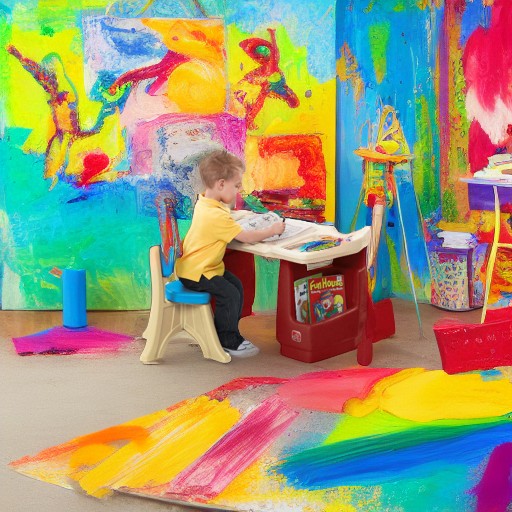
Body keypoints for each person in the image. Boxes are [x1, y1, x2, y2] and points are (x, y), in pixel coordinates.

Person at [176, 149, 285, 358]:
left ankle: (228, 331)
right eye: (236, 185)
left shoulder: (205, 202)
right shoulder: (216, 215)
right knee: (230, 294)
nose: (239, 190)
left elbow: (223, 222)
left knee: (236, 286)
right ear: (221, 184)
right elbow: (246, 237)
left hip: (200, 267)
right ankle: (227, 339)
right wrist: (272, 230)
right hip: (198, 273)